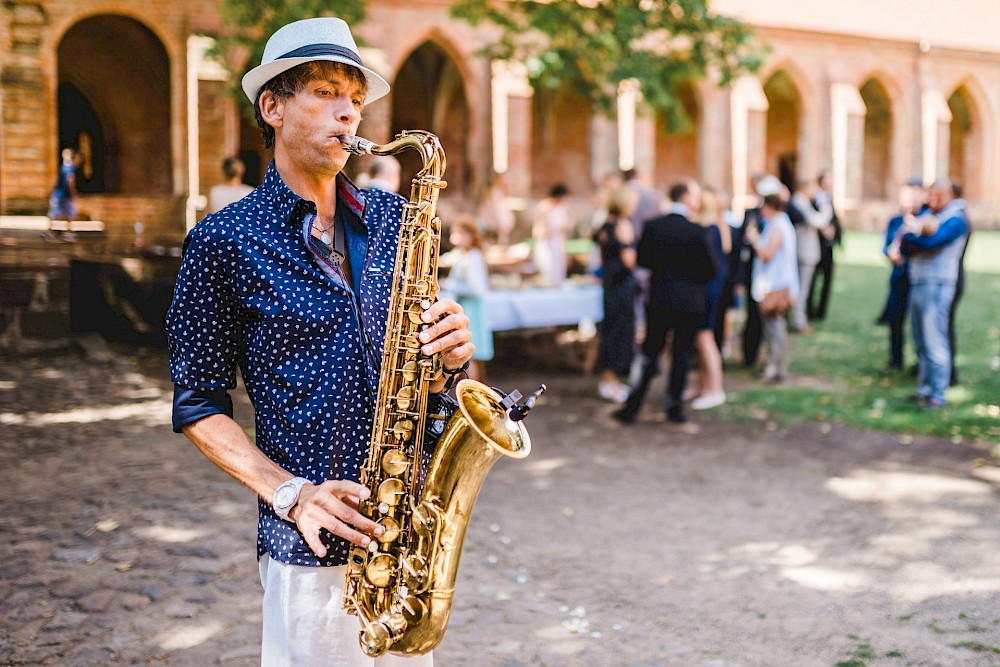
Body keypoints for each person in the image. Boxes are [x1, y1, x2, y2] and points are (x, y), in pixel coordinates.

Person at [165, 17, 474, 666]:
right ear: (272, 107)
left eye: (356, 98)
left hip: (408, 535)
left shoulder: (396, 219)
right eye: (328, 92)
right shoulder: (224, 241)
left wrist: (452, 355)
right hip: (309, 548)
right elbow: (198, 403)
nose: (348, 112)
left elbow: (431, 374)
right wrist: (290, 493)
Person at [612, 179, 719, 425]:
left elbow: (644, 261)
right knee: (681, 355)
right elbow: (710, 269)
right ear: (685, 198)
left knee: (650, 353)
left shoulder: (653, 226)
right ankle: (674, 408)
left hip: (660, 299)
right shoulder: (697, 230)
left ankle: (633, 405)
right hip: (689, 302)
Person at [899, 177, 969, 408]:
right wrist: (913, 238)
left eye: (937, 195)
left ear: (949, 195)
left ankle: (938, 392)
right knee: (920, 339)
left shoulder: (956, 220)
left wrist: (911, 237)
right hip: (920, 281)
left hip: (938, 284)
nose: (932, 200)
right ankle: (925, 387)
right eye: (930, 195)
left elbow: (930, 243)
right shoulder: (933, 216)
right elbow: (907, 243)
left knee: (934, 339)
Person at [744, 193, 798, 383]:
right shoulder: (782, 224)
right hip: (777, 283)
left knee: (774, 327)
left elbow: (767, 254)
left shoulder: (777, 226)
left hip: (775, 285)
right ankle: (774, 365)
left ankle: (775, 367)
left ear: (769, 207)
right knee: (774, 326)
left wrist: (754, 239)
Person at [592, 185, 638, 403]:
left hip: (610, 284)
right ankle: (609, 380)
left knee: (610, 329)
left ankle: (609, 379)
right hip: (622, 285)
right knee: (619, 332)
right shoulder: (623, 225)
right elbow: (629, 260)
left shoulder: (604, 226)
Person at [686, 186, 730, 410]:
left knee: (705, 337)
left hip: (707, 288)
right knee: (700, 337)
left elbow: (711, 264)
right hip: (707, 287)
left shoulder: (710, 228)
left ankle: (715, 389)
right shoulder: (712, 226)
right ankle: (703, 385)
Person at [877, 177, 925, 371]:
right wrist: (890, 253)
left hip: (917, 278)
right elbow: (885, 246)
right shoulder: (895, 220)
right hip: (898, 278)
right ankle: (896, 359)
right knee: (895, 319)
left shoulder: (925, 218)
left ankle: (920, 361)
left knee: (919, 322)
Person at [441, 215, 493, 382]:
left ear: (469, 235)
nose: (454, 237)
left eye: (459, 233)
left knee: (470, 355)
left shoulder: (474, 257)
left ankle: (470, 392)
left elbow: (477, 289)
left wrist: (449, 284)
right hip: (465, 308)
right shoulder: (461, 255)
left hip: (472, 310)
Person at [790, 179, 833, 333]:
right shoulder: (799, 202)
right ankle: (798, 320)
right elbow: (817, 220)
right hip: (804, 252)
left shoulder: (802, 203)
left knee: (803, 288)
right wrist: (826, 207)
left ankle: (798, 318)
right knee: (802, 289)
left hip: (805, 252)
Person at [807, 170, 841, 320]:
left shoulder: (828, 198)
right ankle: (810, 310)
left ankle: (821, 311)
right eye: (828, 179)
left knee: (827, 279)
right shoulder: (815, 198)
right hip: (817, 245)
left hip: (828, 246)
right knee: (813, 279)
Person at [531, 183, 571, 285]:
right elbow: (537, 232)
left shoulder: (562, 209)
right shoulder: (544, 208)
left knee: (559, 278)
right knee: (548, 277)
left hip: (558, 247)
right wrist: (557, 231)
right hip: (547, 248)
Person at [46, 147, 78, 238]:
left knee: (56, 213)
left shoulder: (63, 167)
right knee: (68, 213)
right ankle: (68, 232)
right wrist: (73, 191)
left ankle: (50, 231)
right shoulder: (70, 167)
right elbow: (70, 180)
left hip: (59, 194)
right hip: (64, 194)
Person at [480, 172, 517, 247]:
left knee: (502, 229)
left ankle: (501, 243)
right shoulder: (491, 191)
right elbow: (488, 202)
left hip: (500, 210)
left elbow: (506, 198)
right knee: (491, 228)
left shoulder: (501, 190)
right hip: (493, 210)